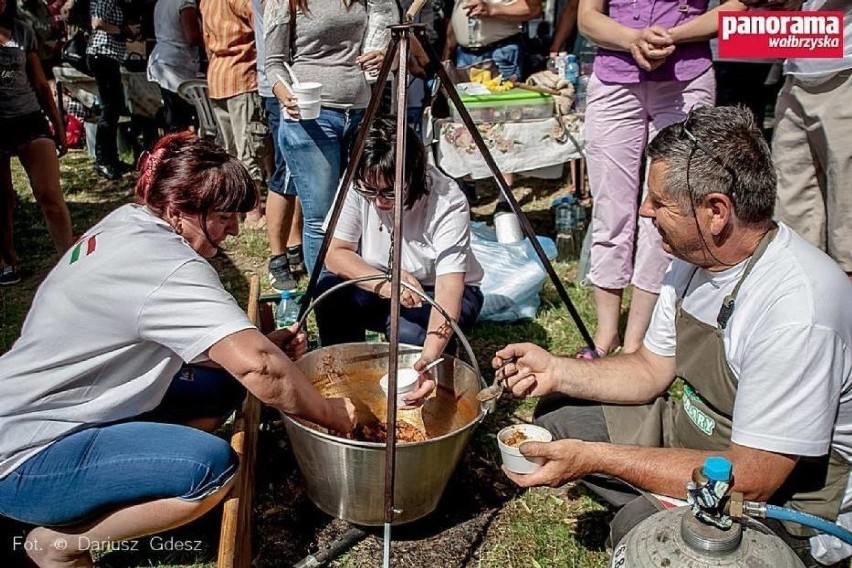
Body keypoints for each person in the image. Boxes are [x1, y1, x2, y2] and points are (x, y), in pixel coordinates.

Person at [494, 106, 852, 566]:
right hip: (706, 438)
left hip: (787, 497)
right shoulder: (693, 257)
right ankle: (658, 494)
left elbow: (752, 478)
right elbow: (649, 369)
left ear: (716, 212)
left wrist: (597, 459)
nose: (645, 211)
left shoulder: (796, 310)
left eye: (659, 202)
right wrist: (556, 370)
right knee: (561, 417)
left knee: (639, 534)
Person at [0, 132, 355, 568]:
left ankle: (140, 474)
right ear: (177, 210)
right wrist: (333, 414)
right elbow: (262, 370)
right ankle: (60, 545)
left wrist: (265, 346)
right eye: (224, 216)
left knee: (220, 386)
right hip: (25, 458)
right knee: (211, 469)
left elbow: (230, 351)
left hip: (45, 409)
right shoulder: (170, 265)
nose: (234, 229)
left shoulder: (129, 222)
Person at [574, 0, 739, 358]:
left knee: (668, 210)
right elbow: (587, 18)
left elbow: (737, 7)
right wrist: (634, 39)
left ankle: (638, 340)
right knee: (610, 208)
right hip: (614, 78)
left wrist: (674, 35)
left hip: (685, 78)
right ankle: (605, 335)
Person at [315, 117, 484, 402]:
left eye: (390, 192)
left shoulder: (447, 201)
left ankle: (423, 382)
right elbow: (335, 253)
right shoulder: (360, 180)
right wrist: (385, 283)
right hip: (380, 282)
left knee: (407, 332)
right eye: (371, 191)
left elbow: (447, 292)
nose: (378, 201)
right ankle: (347, 383)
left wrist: (427, 358)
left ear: (414, 175)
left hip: (437, 292)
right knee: (329, 294)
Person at [264, 0, 390, 275]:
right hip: (311, 120)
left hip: (359, 113)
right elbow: (273, 64)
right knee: (323, 218)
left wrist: (382, 55)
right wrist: (284, 94)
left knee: (360, 212)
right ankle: (327, 299)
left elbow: (376, 38)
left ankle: (356, 287)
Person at [773, 0, 852, 281]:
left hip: (846, 69)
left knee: (847, 220)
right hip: (797, 69)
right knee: (791, 213)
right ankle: (804, 305)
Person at [0, 0, 73, 286]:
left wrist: (58, 125)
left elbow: (41, 83)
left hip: (29, 119)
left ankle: (69, 259)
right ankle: (8, 261)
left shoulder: (22, 31)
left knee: (49, 194)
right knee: (2, 200)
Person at [198, 0, 266, 229]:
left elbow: (206, 41)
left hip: (217, 77)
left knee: (229, 151)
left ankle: (232, 208)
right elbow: (262, 32)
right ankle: (253, 212)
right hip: (242, 77)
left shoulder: (206, 2)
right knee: (248, 148)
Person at [251, 0, 304, 292]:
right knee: (286, 171)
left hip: (311, 87)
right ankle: (278, 257)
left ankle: (296, 243)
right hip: (280, 88)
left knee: (301, 171)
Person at [86, 0, 139, 180]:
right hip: (102, 54)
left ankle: (112, 158)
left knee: (115, 108)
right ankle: (103, 160)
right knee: (110, 108)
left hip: (110, 56)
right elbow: (97, 22)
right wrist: (124, 30)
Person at [442, 0, 542, 82]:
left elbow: (534, 9)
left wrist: (492, 9)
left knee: (501, 104)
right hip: (464, 55)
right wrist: (448, 52)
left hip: (499, 54)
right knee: (465, 104)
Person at [147, 0, 203, 132]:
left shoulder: (161, 2)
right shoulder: (185, 2)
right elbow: (192, 37)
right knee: (181, 118)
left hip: (163, 61)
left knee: (174, 115)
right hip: (176, 65)